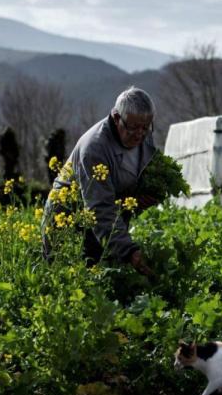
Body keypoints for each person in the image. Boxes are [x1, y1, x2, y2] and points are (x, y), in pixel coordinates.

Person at [41, 87, 157, 280]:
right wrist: (128, 251)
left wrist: (140, 198)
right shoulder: (94, 149)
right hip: (70, 223)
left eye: (146, 127)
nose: (140, 134)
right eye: (134, 127)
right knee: (72, 286)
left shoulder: (142, 134)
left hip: (103, 223)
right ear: (117, 118)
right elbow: (100, 209)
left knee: (107, 284)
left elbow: (143, 172)